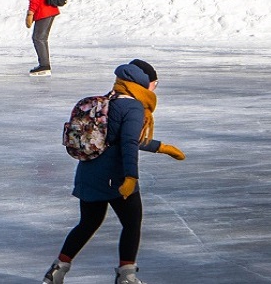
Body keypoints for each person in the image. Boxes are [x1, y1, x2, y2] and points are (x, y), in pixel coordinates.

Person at [40, 61, 185, 284]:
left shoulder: (109, 100)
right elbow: (127, 143)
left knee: (88, 223)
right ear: (144, 82)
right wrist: (130, 177)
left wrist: (159, 147)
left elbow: (119, 138)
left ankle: (57, 271)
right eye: (155, 82)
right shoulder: (133, 107)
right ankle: (126, 277)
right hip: (114, 177)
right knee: (132, 222)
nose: (155, 87)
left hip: (88, 172)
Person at [24, 0, 60, 75]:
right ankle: (44, 65)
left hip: (44, 11)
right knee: (41, 38)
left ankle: (44, 66)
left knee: (38, 38)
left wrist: (30, 13)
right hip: (50, 10)